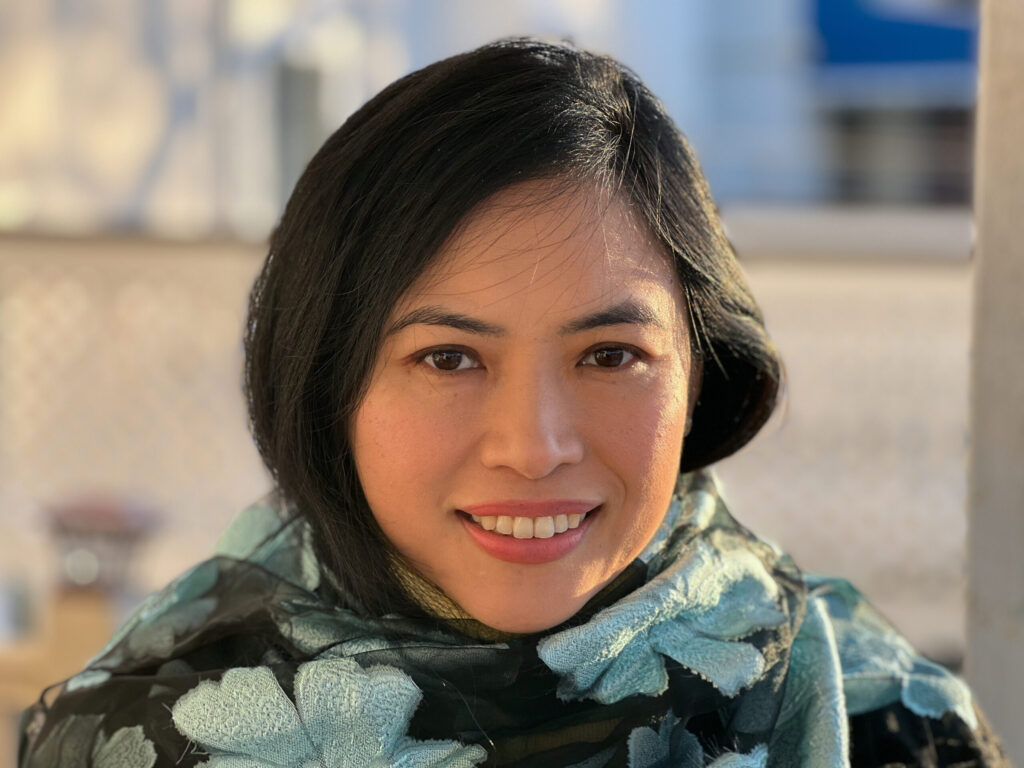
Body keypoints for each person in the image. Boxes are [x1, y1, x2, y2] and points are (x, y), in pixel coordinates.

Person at [18, 38, 1006, 767]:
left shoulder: (882, 724)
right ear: (326, 382)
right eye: (447, 359)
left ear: (698, 369)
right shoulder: (136, 736)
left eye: (610, 354)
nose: (534, 447)